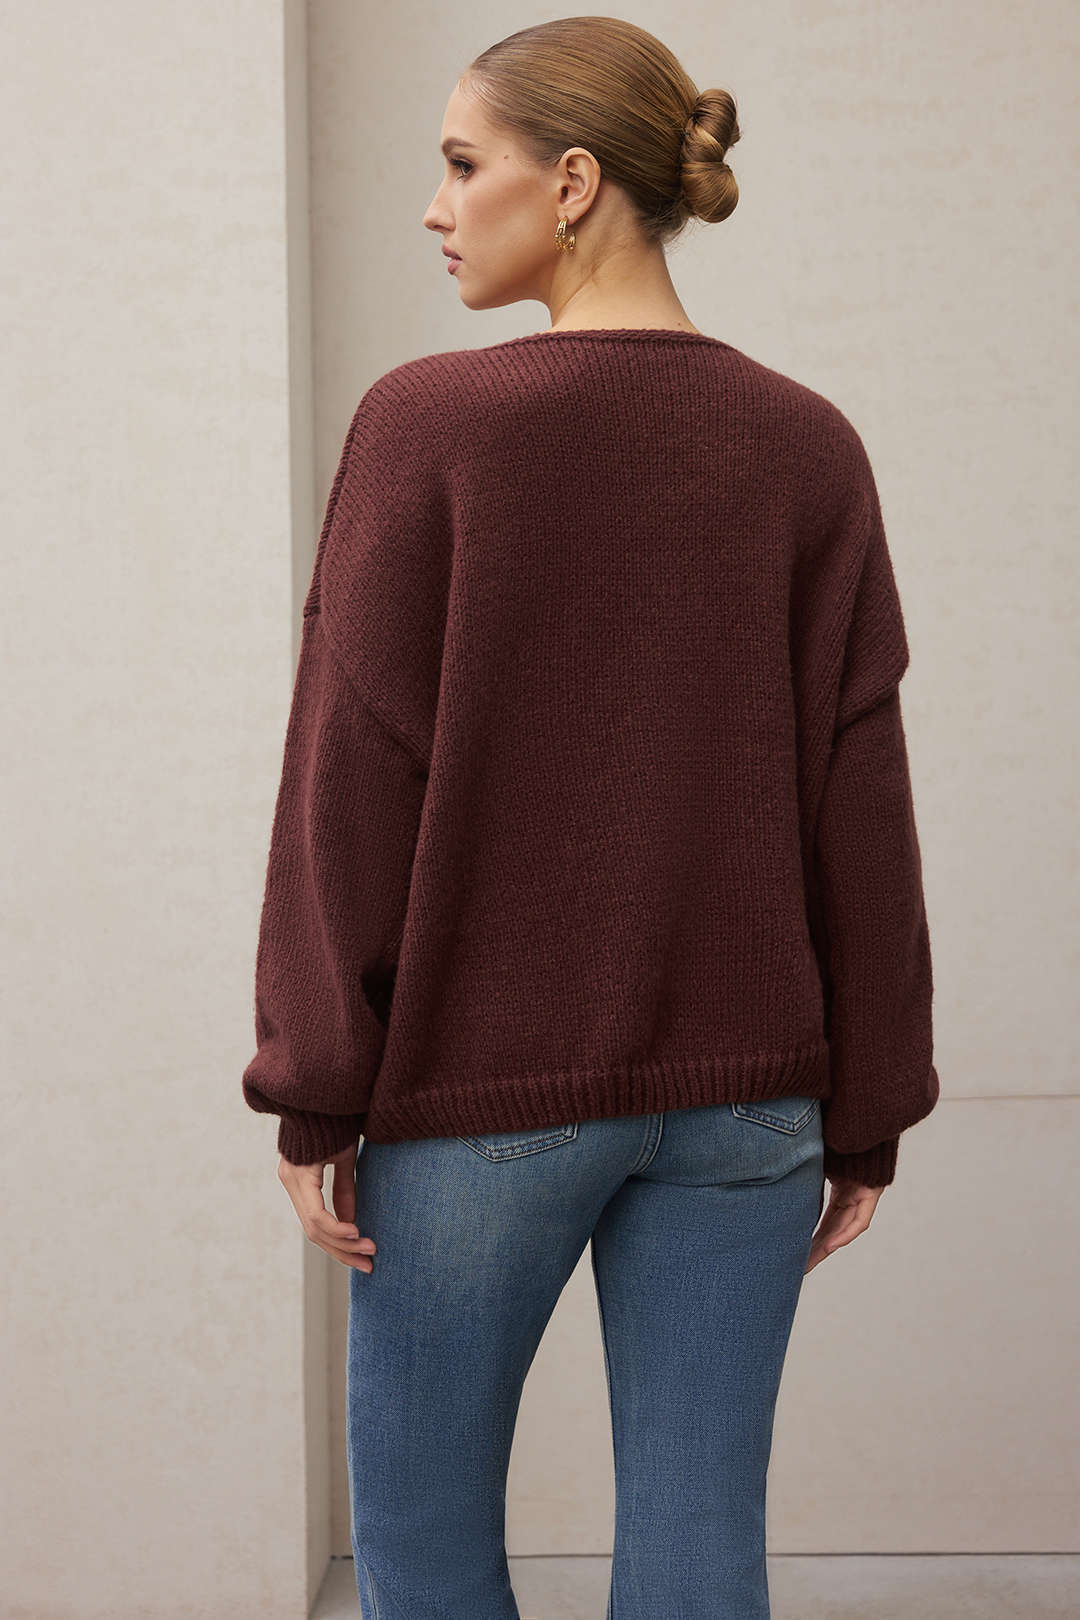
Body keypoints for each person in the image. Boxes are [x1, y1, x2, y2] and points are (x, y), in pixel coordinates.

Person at [241, 16, 940, 1619]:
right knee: (701, 1549)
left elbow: (350, 775)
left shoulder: (428, 427)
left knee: (421, 1547)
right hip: (751, 1101)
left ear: (569, 183)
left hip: (481, 1089)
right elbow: (861, 801)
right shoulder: (808, 446)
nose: (434, 206)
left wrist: (313, 1085)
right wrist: (870, 1103)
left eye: (459, 164)